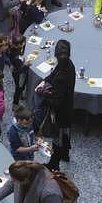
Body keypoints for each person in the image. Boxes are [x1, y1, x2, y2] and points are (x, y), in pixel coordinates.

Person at [34, 39, 75, 168]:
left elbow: (56, 103)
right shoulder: (68, 65)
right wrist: (45, 81)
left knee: (58, 139)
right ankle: (65, 154)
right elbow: (53, 75)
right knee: (65, 134)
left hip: (60, 113)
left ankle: (54, 164)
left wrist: (42, 94)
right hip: (67, 108)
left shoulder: (62, 76)